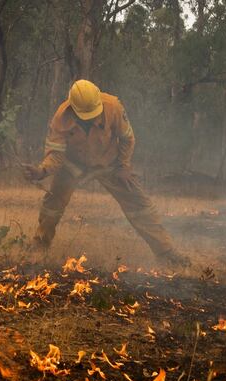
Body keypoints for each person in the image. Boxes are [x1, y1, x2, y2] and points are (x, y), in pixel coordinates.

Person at [24, 79, 190, 269]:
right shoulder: (61, 117)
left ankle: (167, 253)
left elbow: (127, 138)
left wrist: (123, 166)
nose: (90, 118)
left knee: (139, 204)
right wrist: (41, 171)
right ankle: (39, 246)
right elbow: (56, 155)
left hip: (109, 162)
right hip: (73, 164)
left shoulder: (113, 107)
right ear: (73, 108)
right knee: (52, 204)